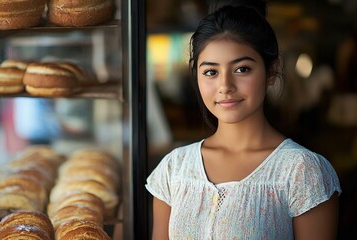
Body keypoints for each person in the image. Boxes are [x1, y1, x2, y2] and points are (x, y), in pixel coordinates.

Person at [145, 0, 342, 239]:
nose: (225, 86)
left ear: (271, 71)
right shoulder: (174, 169)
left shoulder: (302, 172)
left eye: (242, 69)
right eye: (210, 72)